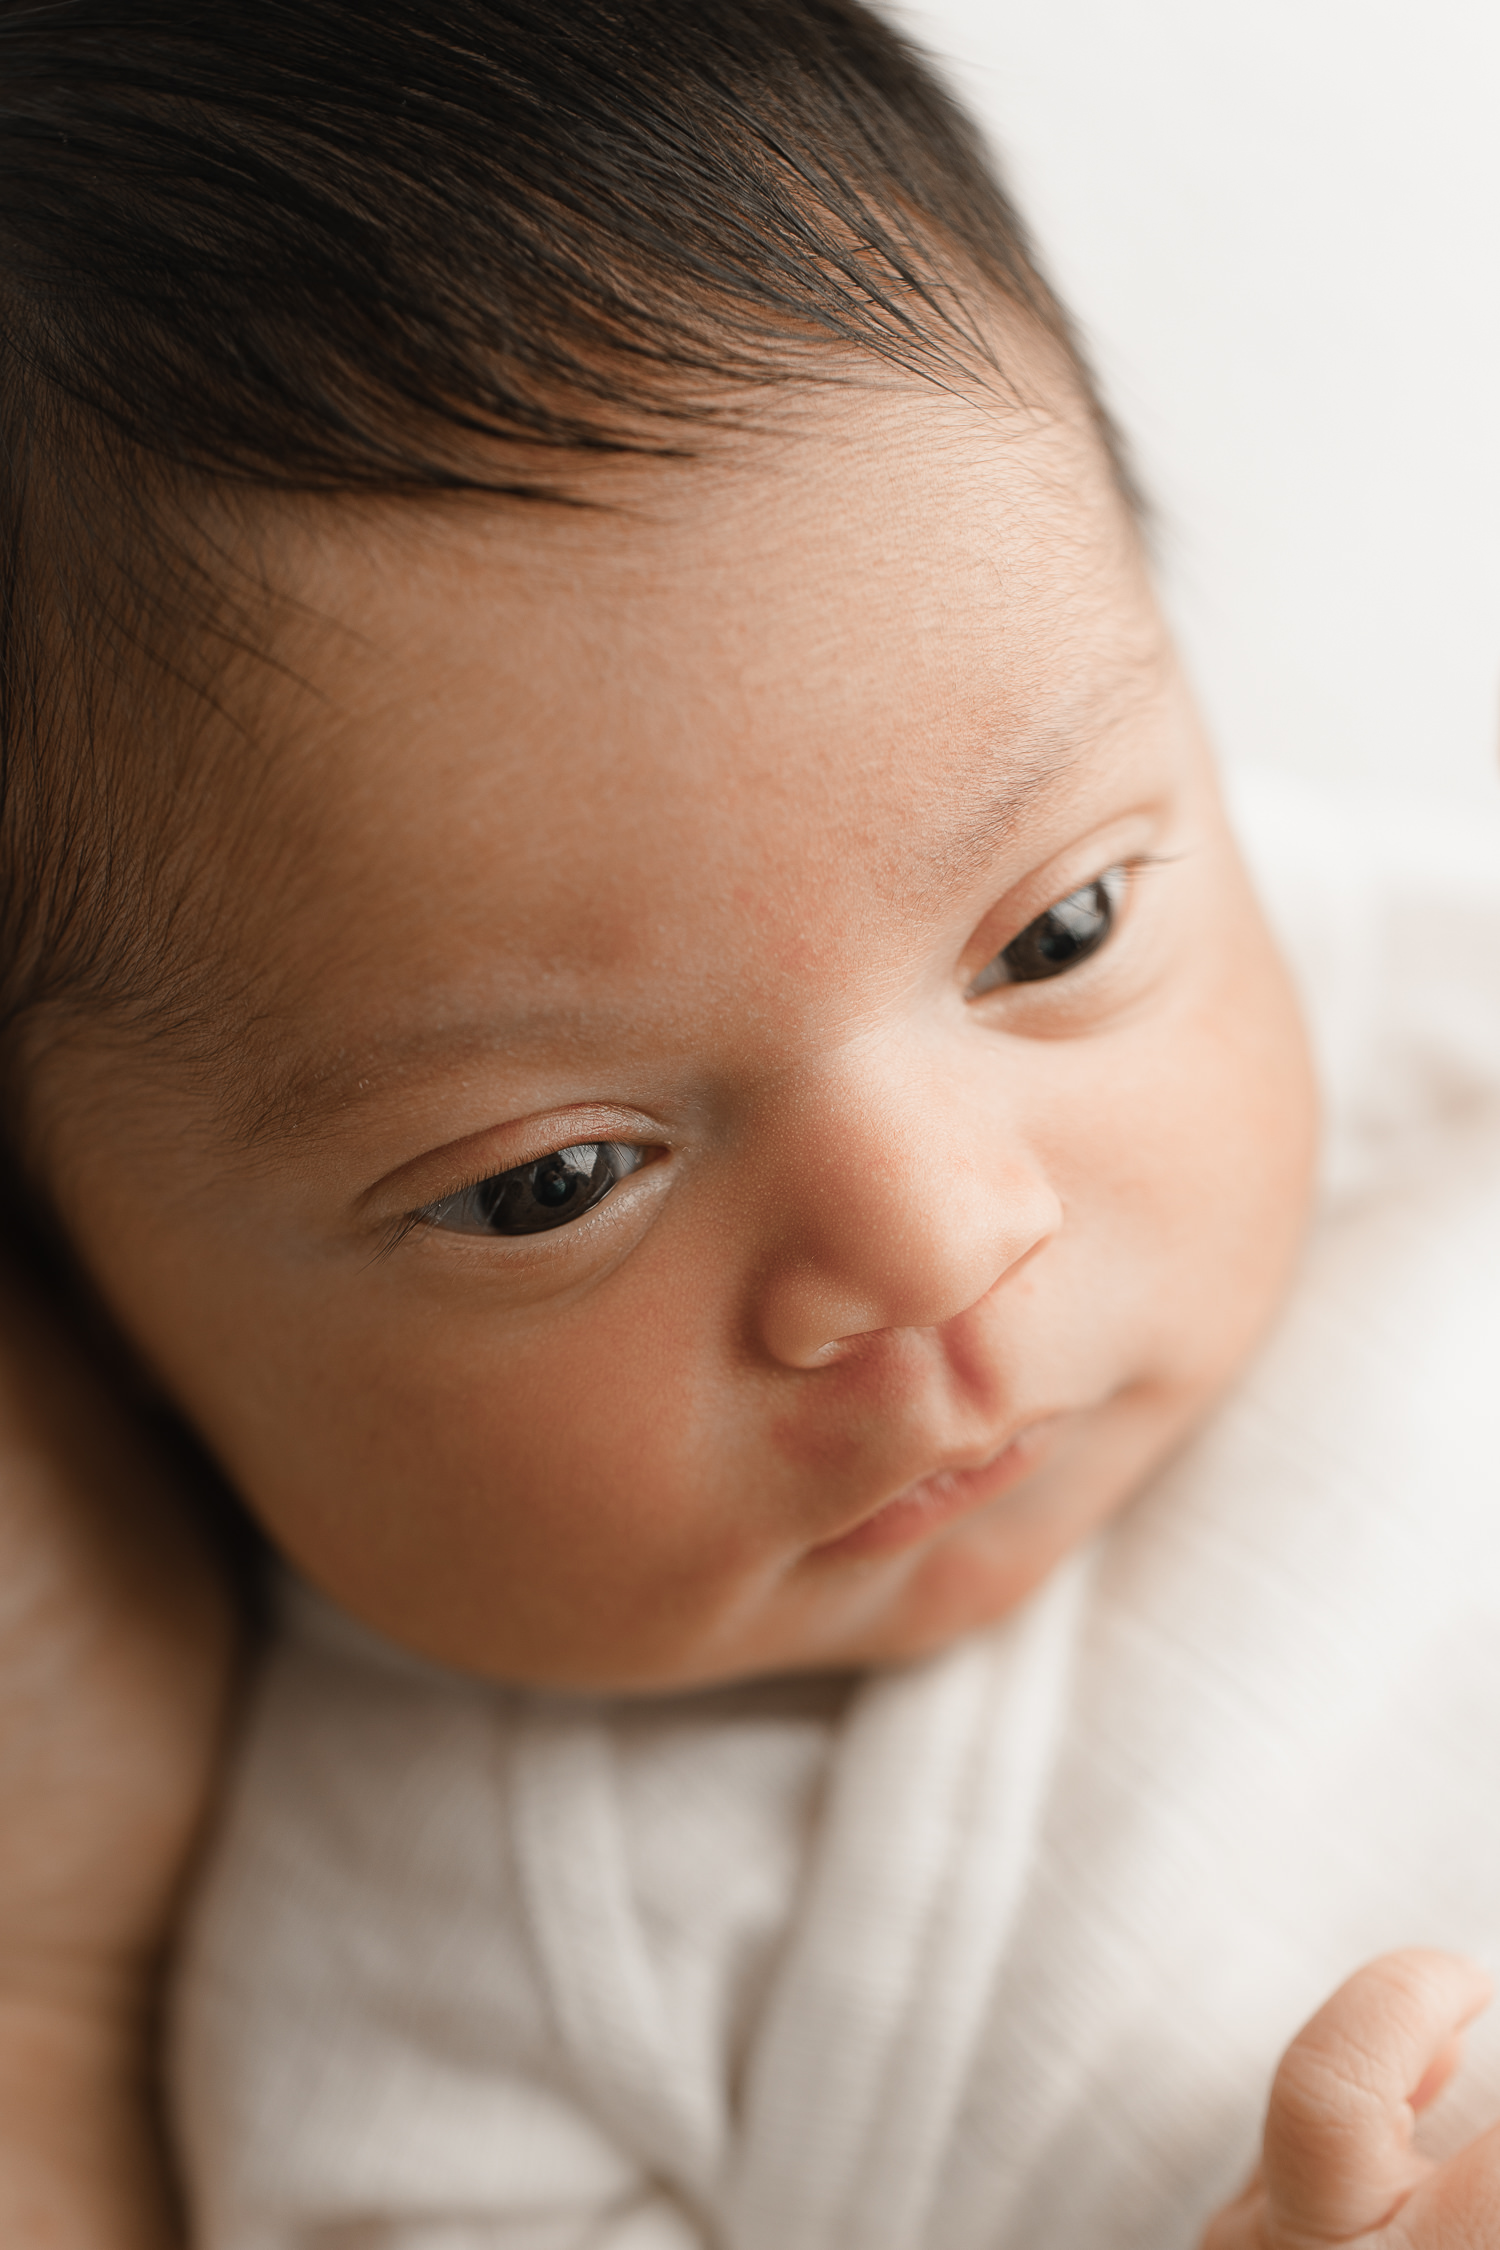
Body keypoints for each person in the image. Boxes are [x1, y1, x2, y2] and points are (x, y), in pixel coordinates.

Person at [0, 1, 1498, 2243]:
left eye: (1057, 931)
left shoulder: (1429, 1030)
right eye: (553, 1182)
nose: (936, 1240)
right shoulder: (436, 1961)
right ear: (83, 1306)